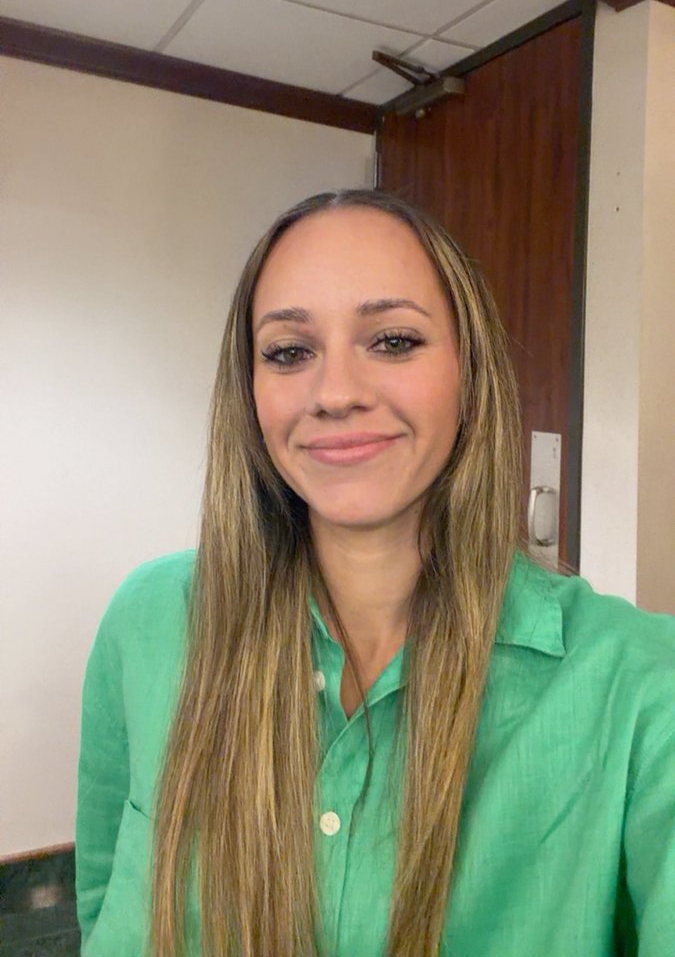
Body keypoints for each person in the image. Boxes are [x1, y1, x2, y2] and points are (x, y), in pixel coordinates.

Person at [75, 188, 675, 957]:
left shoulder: (640, 686)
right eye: (288, 352)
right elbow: (102, 906)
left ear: (468, 372)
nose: (334, 394)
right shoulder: (148, 622)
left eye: (392, 340)